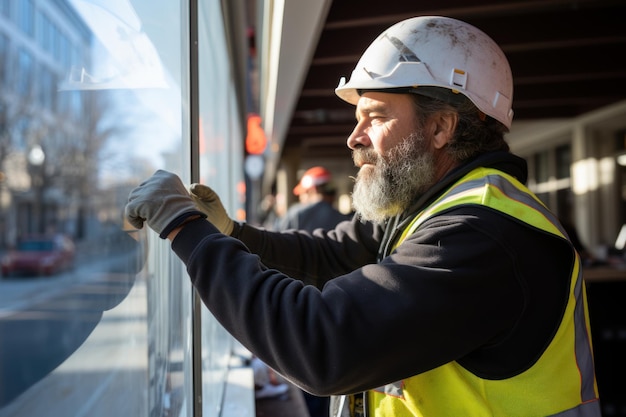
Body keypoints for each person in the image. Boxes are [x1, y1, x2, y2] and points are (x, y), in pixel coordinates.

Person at [125, 15, 601, 417]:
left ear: (441, 127)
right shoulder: (432, 207)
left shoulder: (484, 235)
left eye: (374, 116)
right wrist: (231, 233)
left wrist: (185, 228)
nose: (354, 138)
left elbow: (321, 344)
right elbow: (333, 253)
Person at [277, 166, 350, 232]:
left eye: (303, 193)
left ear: (312, 190)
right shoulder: (343, 220)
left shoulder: (295, 214)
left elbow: (278, 240)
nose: (300, 198)